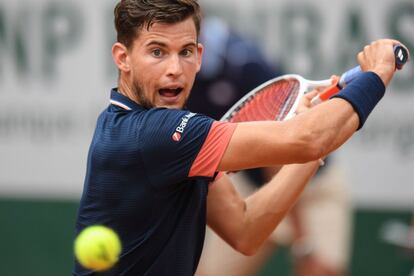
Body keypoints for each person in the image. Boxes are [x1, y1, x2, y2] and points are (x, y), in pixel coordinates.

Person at [73, 0, 402, 275]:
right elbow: (310, 137)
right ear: (123, 57)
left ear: (200, 56)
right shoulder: (154, 133)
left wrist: (307, 156)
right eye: (157, 52)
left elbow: (245, 230)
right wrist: (378, 74)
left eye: (185, 52)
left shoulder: (151, 134)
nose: (175, 68)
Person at [190, 17, 352, 276]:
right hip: (251, 186)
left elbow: (277, 156)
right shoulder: (175, 77)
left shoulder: (244, 64)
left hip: (313, 187)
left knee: (320, 271)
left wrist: (303, 244)